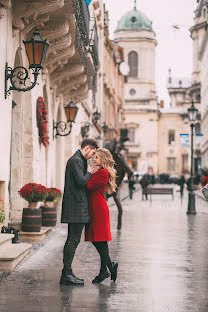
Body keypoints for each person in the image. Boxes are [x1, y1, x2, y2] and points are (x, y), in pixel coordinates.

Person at [60, 138, 99, 285]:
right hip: (76, 206)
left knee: (72, 239)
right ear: (87, 148)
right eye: (93, 153)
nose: (92, 156)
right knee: (73, 239)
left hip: (77, 205)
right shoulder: (76, 160)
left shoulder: (78, 160)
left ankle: (67, 272)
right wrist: (89, 172)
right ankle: (66, 273)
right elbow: (81, 182)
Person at [85, 148, 118, 283]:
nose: (94, 159)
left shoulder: (103, 173)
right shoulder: (100, 172)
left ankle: (109, 267)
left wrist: (88, 173)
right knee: (99, 240)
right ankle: (104, 270)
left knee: (99, 240)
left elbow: (88, 186)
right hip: (96, 207)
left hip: (98, 209)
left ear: (103, 160)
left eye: (97, 157)